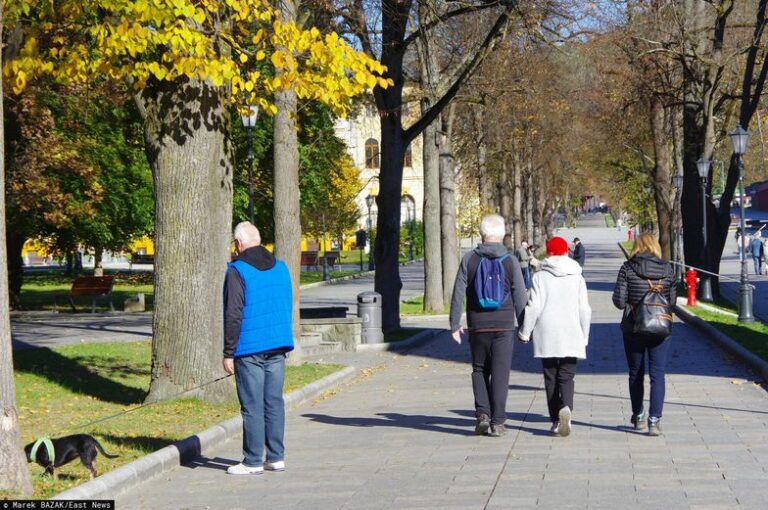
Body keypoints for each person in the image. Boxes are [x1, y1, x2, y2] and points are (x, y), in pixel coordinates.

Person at [223, 221, 294, 475]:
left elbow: (233, 314)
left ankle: (252, 460)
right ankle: (276, 457)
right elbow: (285, 301)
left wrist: (228, 352)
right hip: (277, 344)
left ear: (239, 244)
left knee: (252, 405)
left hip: (249, 348)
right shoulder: (281, 267)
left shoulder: (237, 270)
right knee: (274, 402)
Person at [449, 214, 527, 437]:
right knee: (501, 373)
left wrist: (455, 324)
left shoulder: (469, 259)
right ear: (502, 234)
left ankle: (482, 415)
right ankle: (498, 422)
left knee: (479, 369)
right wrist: (524, 327)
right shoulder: (510, 260)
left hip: (477, 325)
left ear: (482, 233)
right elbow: (519, 295)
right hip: (503, 325)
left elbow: (458, 292)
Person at [518, 237, 591, 437]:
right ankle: (566, 408)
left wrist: (525, 333)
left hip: (547, 332)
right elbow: (585, 309)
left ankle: (555, 420)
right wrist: (584, 336)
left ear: (548, 254)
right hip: (571, 331)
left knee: (550, 377)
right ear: (567, 252)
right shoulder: (578, 277)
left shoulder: (540, 278)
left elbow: (533, 308)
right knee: (567, 376)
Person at [612, 233, 675, 436]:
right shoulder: (667, 269)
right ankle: (654, 420)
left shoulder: (627, 268)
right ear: (655, 246)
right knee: (658, 374)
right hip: (661, 328)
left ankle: (638, 415)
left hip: (633, 327)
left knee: (635, 373)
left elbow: (619, 302)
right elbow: (671, 300)